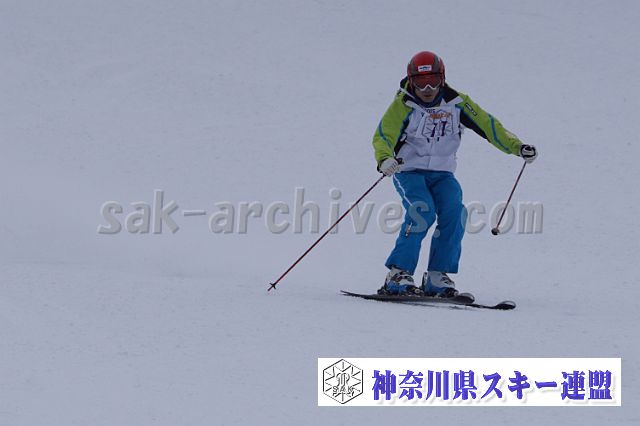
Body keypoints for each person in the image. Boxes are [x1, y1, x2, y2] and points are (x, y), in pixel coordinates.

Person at [372, 51, 538, 297]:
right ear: (411, 81)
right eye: (420, 82)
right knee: (422, 211)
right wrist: (385, 159)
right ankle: (398, 273)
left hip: (443, 173)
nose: (427, 89)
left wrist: (518, 147)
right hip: (408, 171)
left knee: (455, 213)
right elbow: (383, 135)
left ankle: (437, 276)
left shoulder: (457, 103)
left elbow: (489, 126)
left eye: (433, 81)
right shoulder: (403, 105)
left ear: (442, 78)